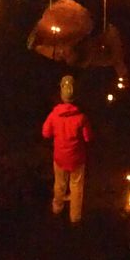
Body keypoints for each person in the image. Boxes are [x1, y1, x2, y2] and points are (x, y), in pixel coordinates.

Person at [42, 75, 93, 224]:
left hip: (59, 157)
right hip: (77, 158)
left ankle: (57, 207)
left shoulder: (54, 115)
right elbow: (88, 137)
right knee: (76, 187)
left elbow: (45, 133)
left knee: (59, 183)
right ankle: (75, 217)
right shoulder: (81, 118)